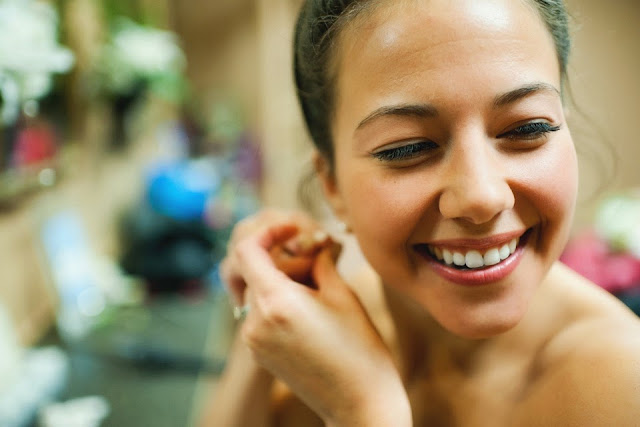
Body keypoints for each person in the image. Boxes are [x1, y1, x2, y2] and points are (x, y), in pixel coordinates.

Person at [200, 0, 640, 425]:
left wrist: (363, 413)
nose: (482, 197)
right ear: (332, 184)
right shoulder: (319, 334)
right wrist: (260, 318)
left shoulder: (623, 385)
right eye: (408, 148)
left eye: (528, 128)